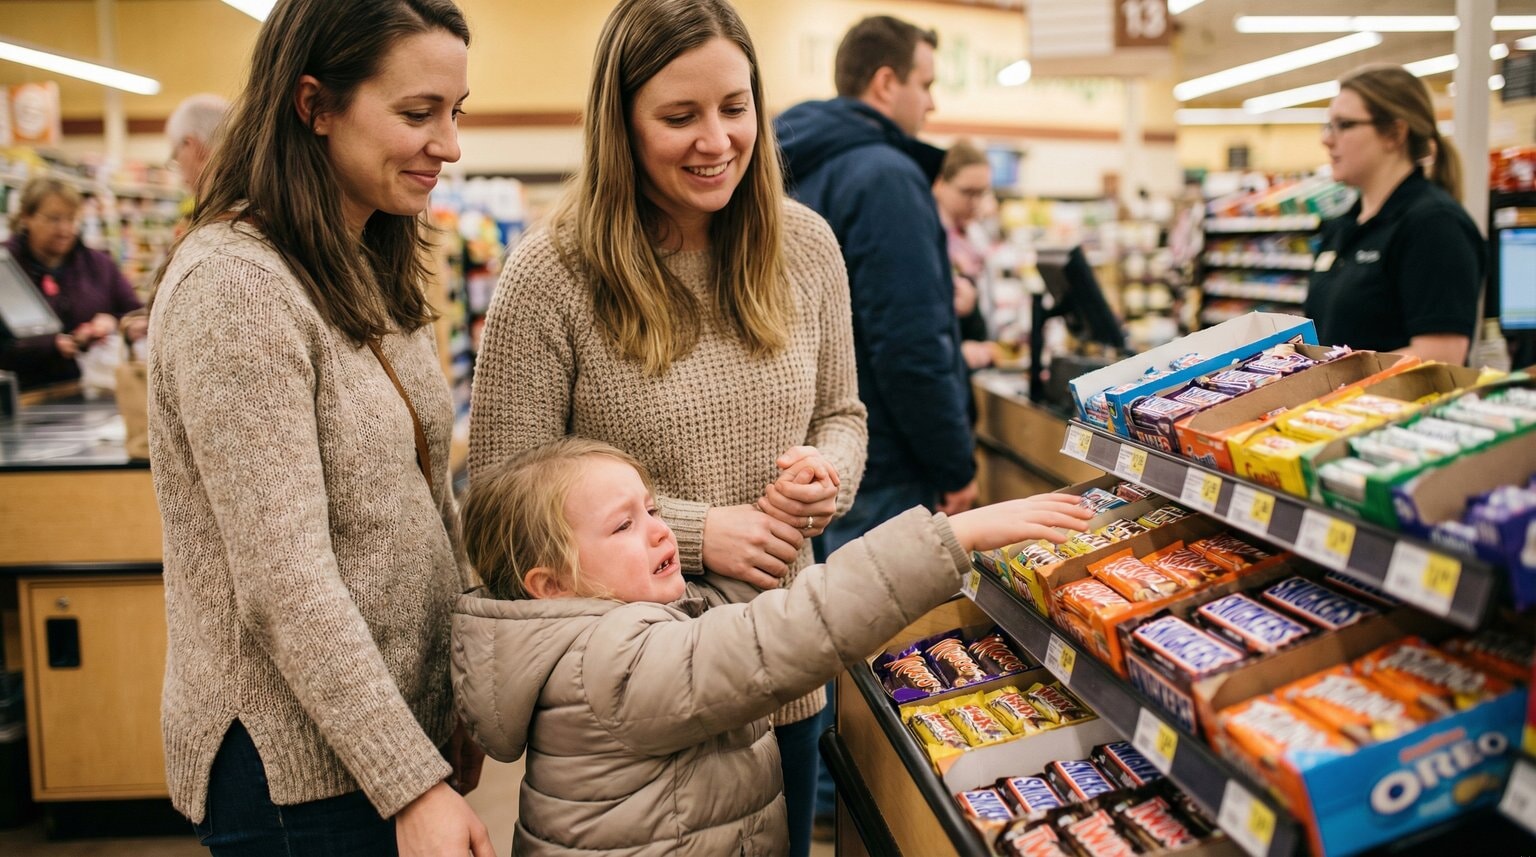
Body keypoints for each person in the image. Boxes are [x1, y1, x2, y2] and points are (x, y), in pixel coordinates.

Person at [467, 2, 866, 853]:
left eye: (734, 107)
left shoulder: (807, 247)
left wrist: (827, 475)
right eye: (679, 117)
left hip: (782, 673)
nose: (716, 140)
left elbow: (844, 412)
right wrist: (694, 533)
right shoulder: (553, 274)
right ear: (621, 125)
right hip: (624, 705)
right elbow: (501, 505)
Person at [146, 1, 490, 854]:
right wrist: (408, 781)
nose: (447, 143)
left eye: (456, 113)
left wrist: (458, 693)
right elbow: (286, 581)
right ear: (315, 105)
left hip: (385, 738)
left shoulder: (369, 258)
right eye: (417, 113)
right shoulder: (237, 290)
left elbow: (423, 495)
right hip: (296, 777)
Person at [451, 436, 1093, 856]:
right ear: (552, 585)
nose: (657, 531)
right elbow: (775, 635)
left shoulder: (621, 626)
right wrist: (947, 540)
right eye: (625, 524)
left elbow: (727, 614)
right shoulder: (609, 664)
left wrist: (784, 514)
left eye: (652, 510)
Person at [775, 15, 978, 558]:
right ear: (887, 83)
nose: (931, 105)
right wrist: (954, 465)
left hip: (815, 455)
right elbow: (910, 343)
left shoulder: (797, 166)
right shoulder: (885, 176)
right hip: (885, 459)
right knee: (899, 635)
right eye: (926, 84)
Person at [1305, 63, 1484, 364]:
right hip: (1332, 409)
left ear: (1394, 134)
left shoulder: (1434, 225)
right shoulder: (1344, 225)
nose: (1327, 139)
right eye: (1328, 125)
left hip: (1398, 410)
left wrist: (1333, 379)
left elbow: (1441, 356)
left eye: (1344, 125)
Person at [0, 177, 144, 390]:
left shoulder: (98, 265)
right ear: (26, 217)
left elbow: (136, 314)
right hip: (23, 392)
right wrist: (49, 345)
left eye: (72, 219)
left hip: (92, 389)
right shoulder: (5, 266)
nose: (65, 229)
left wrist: (112, 323)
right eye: (54, 219)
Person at [934, 139, 996, 374]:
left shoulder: (974, 235)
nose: (975, 202)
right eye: (967, 192)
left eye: (981, 193)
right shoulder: (931, 236)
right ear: (940, 183)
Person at [166, 93, 231, 197]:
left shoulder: (217, 209)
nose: (182, 180)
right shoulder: (253, 195)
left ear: (192, 147)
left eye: (175, 155)